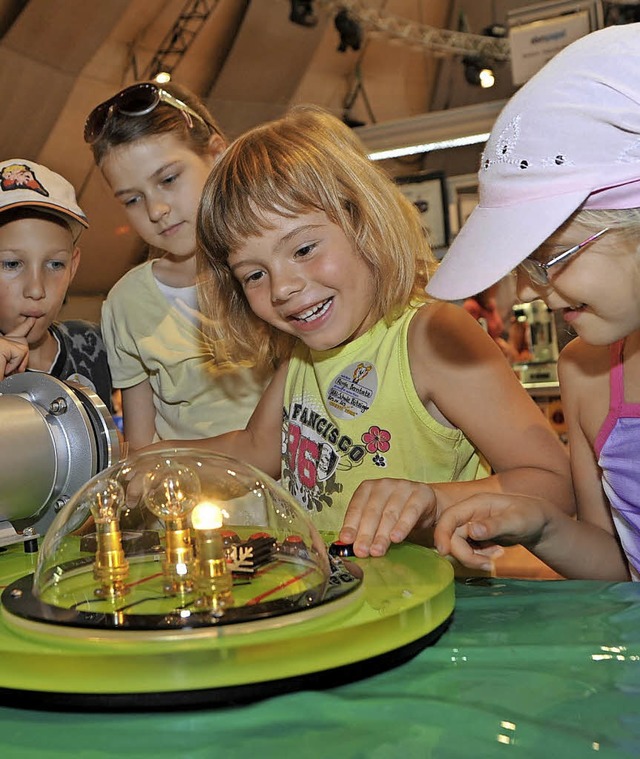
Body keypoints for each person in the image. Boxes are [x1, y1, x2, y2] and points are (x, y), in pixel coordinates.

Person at [146, 104, 573, 559]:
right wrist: (158, 458)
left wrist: (433, 502)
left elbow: (553, 485)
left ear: (363, 220)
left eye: (304, 248)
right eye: (254, 275)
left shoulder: (432, 337)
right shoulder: (301, 357)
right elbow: (254, 447)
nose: (283, 287)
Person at [428, 24, 640, 581]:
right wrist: (545, 527)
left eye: (550, 256)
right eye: (526, 263)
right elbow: (616, 573)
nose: (527, 289)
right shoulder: (588, 375)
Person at [84, 81, 264, 449]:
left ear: (217, 155)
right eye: (133, 199)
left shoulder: (272, 269)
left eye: (168, 180)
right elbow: (141, 444)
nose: (155, 210)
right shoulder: (126, 302)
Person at [0, 159, 112, 406]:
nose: (36, 290)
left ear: (73, 267)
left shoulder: (94, 344)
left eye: (55, 264)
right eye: (11, 264)